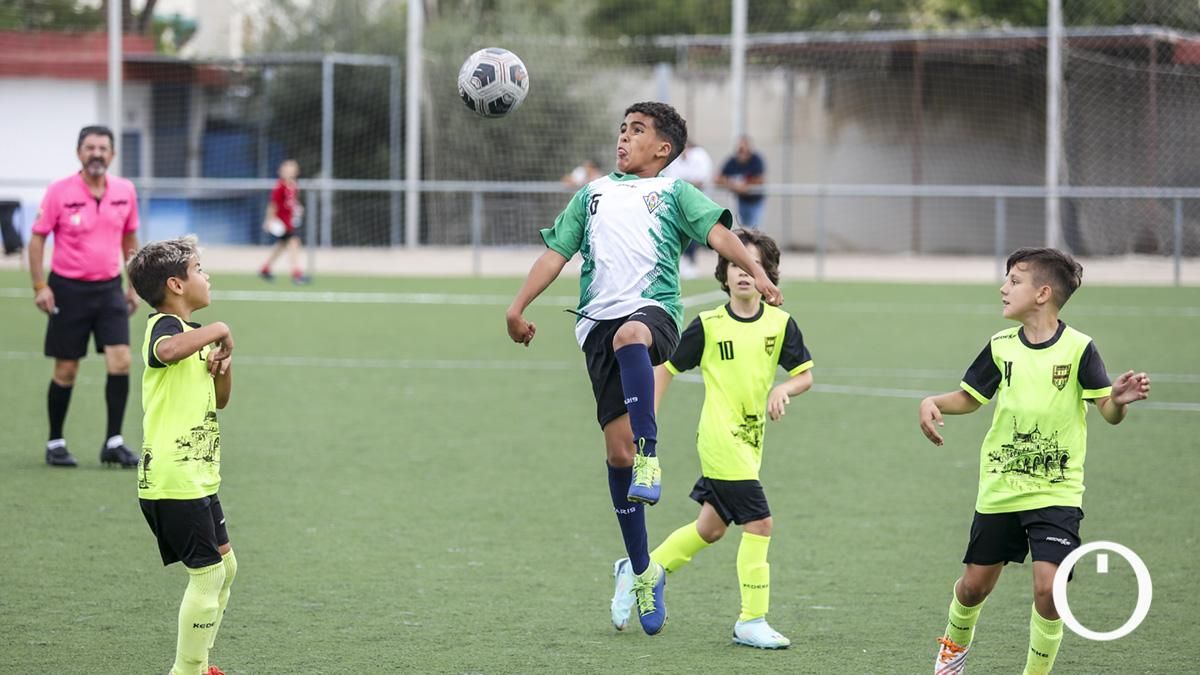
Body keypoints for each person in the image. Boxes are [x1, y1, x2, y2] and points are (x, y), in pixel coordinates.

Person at [506, 102, 783, 636]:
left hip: (653, 313)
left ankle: (650, 457)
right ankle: (641, 570)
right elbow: (555, 255)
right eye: (622, 129)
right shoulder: (591, 195)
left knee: (631, 337)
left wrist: (757, 272)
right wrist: (517, 308)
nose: (623, 138)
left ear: (663, 148)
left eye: (637, 131)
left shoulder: (675, 192)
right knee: (617, 453)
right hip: (595, 327)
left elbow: (720, 235)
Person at [918, 247, 1151, 675]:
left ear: (1043, 293)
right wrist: (934, 402)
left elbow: (1108, 413)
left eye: (1014, 280)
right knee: (973, 588)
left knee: (1050, 590)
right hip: (1001, 487)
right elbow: (971, 398)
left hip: (1057, 490)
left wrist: (1118, 401)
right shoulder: (1001, 346)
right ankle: (952, 655)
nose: (1003, 288)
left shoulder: (1080, 349)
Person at [610, 229, 812, 649]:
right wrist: (645, 422)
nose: (744, 273)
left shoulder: (780, 324)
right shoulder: (708, 325)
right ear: (724, 273)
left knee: (711, 528)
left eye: (754, 266)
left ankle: (639, 570)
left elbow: (804, 375)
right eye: (736, 264)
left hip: (751, 442)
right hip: (719, 439)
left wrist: (784, 389)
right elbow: (665, 369)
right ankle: (751, 620)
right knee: (760, 522)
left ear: (766, 274)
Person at [126, 236, 237, 675]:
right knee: (208, 574)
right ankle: (187, 671)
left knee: (226, 568)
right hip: (172, 477)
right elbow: (167, 352)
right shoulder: (164, 327)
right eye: (199, 270)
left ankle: (199, 664)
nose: (207, 277)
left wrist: (224, 364)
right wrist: (221, 328)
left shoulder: (194, 337)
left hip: (199, 476)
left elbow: (220, 400)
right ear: (175, 284)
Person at [28, 125, 141, 468]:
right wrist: (40, 286)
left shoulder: (125, 190)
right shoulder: (59, 191)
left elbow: (129, 239)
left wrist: (133, 285)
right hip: (68, 290)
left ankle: (113, 442)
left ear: (113, 154)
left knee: (121, 360)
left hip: (109, 290)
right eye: (90, 147)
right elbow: (37, 239)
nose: (97, 154)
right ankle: (56, 442)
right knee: (66, 368)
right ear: (79, 152)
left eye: (103, 148)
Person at [662, 141, 714, 279]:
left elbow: (700, 181)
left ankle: (691, 262)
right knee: (679, 232)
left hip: (698, 203)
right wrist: (685, 184)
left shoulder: (700, 156)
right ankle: (683, 262)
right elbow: (671, 182)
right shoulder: (674, 159)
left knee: (695, 232)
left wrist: (683, 184)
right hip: (679, 204)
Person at [258, 159, 309, 284]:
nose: (289, 172)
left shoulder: (294, 186)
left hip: (289, 222)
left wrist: (298, 208)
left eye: (292, 170)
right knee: (294, 243)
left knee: (281, 246)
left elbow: (292, 202)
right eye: (287, 170)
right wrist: (269, 220)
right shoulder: (279, 187)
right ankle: (296, 274)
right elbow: (273, 205)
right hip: (281, 223)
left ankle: (265, 269)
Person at [716, 136, 766, 229]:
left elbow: (760, 180)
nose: (742, 153)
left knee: (755, 228)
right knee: (744, 227)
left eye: (744, 149)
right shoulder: (733, 161)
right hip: (742, 200)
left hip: (755, 200)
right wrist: (734, 185)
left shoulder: (756, 160)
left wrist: (745, 185)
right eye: (740, 150)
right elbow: (718, 178)